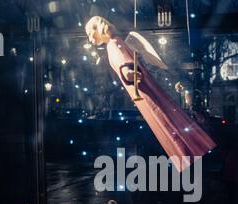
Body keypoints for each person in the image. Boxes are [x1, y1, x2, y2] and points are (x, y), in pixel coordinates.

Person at [85, 16, 216, 172]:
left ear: (97, 29)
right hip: (142, 88)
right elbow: (126, 63)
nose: (90, 39)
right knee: (168, 119)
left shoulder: (113, 44)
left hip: (142, 90)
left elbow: (124, 63)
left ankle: (187, 153)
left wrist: (128, 72)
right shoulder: (115, 43)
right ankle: (192, 149)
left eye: (89, 34)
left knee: (164, 120)